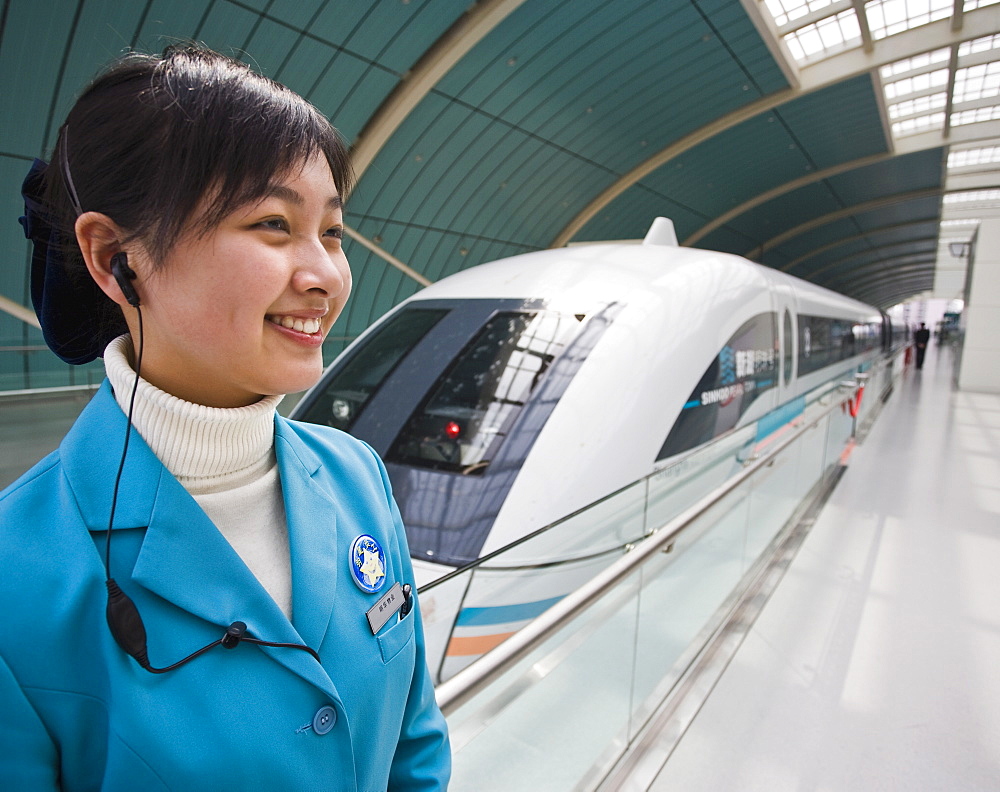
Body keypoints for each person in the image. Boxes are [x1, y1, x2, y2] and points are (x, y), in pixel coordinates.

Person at [0, 45, 450, 790]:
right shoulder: (19, 577)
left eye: (333, 232)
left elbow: (414, 747)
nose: (326, 277)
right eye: (274, 223)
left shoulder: (355, 475)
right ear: (116, 256)